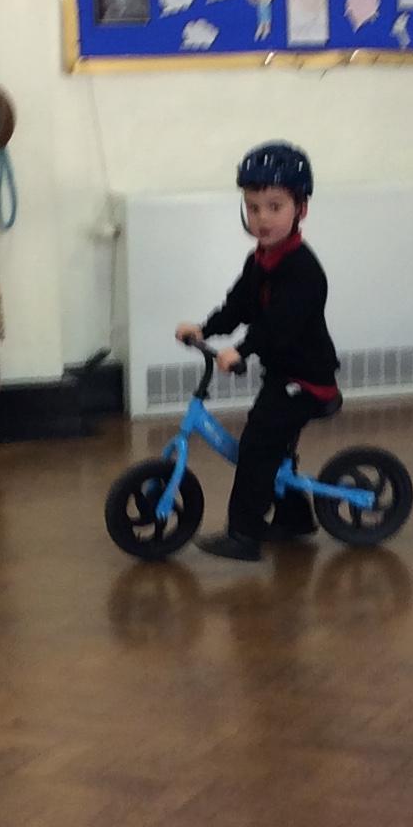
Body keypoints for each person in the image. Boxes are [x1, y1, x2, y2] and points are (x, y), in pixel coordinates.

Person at [176, 141, 340, 563]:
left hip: (306, 379)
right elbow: (239, 306)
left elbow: (278, 326)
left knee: (258, 444)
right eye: (253, 208)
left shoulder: (303, 271)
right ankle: (294, 518)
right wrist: (205, 328)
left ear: (301, 209)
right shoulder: (261, 261)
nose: (262, 218)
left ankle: (244, 534)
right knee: (275, 447)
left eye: (275, 207)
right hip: (283, 373)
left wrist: (242, 350)